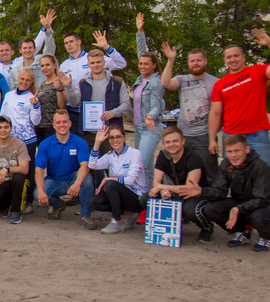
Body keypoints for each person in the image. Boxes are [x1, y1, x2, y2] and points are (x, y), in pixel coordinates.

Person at [208, 30, 270, 165]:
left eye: (236, 56)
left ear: (243, 57)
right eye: (229, 57)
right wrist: (212, 139)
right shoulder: (219, 84)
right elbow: (215, 113)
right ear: (224, 60)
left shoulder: (257, 72)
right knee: (234, 176)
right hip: (231, 136)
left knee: (262, 173)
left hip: (257, 135)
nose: (233, 59)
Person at [198, 134, 270, 251]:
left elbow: (261, 198)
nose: (233, 155)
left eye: (237, 151)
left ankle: (266, 236)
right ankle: (242, 231)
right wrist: (200, 191)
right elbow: (220, 191)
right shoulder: (226, 164)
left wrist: (238, 209)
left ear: (247, 149)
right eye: (229, 152)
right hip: (240, 201)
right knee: (210, 208)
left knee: (257, 217)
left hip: (266, 205)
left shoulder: (261, 167)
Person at [160, 42, 220, 181]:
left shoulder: (215, 83)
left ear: (205, 61)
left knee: (209, 173)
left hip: (204, 136)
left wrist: (212, 139)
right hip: (184, 135)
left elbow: (218, 113)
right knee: (186, 172)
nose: (195, 63)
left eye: (198, 60)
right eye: (192, 61)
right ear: (188, 63)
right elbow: (165, 83)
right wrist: (170, 60)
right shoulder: (182, 80)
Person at [146, 126, 213, 243]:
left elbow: (189, 189)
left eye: (175, 141)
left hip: (194, 195)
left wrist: (162, 187)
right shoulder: (163, 155)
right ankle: (174, 223)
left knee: (190, 210)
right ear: (163, 143)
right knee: (145, 199)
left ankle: (207, 227)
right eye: (168, 142)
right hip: (174, 192)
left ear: (183, 141)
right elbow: (156, 182)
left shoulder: (193, 158)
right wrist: (162, 191)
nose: (171, 144)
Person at [34, 111, 96, 230]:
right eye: (58, 122)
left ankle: (85, 215)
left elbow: (85, 166)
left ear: (70, 123)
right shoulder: (45, 144)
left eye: (64, 122)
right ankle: (58, 205)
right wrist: (41, 190)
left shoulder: (80, 142)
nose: (62, 125)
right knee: (37, 194)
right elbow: (39, 169)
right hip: (54, 180)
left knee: (87, 180)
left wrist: (77, 183)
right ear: (54, 125)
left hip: (73, 179)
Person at [59, 29, 127, 128]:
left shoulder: (93, 59)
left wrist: (107, 48)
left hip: (95, 110)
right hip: (73, 111)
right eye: (66, 43)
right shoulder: (64, 65)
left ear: (79, 42)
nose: (69, 45)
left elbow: (121, 63)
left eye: (71, 41)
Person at [87, 125, 147, 234]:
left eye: (118, 137)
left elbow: (130, 180)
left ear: (124, 138)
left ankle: (117, 220)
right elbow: (92, 164)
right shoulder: (110, 155)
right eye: (112, 137)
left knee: (111, 184)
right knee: (93, 202)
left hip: (136, 196)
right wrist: (97, 143)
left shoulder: (134, 154)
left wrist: (109, 179)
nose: (115, 140)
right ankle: (126, 214)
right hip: (118, 195)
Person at [68, 49, 131, 148]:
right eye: (92, 63)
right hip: (88, 133)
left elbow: (126, 105)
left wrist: (113, 113)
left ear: (104, 63)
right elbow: (73, 103)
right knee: (88, 163)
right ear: (88, 64)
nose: (95, 65)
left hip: (110, 132)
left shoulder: (117, 82)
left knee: (110, 163)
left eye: (98, 62)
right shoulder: (82, 83)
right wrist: (68, 87)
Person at [133, 13, 166, 190]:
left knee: (142, 165)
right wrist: (140, 32)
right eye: (141, 64)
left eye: (147, 64)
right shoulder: (141, 78)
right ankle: (151, 195)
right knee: (146, 166)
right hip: (138, 128)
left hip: (150, 128)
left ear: (154, 65)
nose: (143, 66)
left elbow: (156, 105)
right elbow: (142, 52)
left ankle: (143, 197)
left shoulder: (156, 82)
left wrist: (150, 116)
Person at [8, 9, 58, 88]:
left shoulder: (41, 61)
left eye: (30, 48)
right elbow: (13, 92)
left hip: (43, 98)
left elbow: (50, 49)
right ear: (20, 50)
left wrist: (48, 29)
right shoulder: (15, 71)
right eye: (25, 48)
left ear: (35, 49)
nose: (27, 50)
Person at [0, 69, 43, 158]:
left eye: (28, 80)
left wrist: (36, 106)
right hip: (8, 138)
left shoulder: (32, 98)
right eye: (22, 79)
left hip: (27, 140)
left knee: (26, 170)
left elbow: (36, 122)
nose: (24, 82)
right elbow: (2, 116)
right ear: (18, 79)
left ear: (31, 82)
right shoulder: (8, 95)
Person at [34, 55, 72, 143]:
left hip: (52, 126)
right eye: (42, 66)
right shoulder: (43, 84)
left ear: (54, 65)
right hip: (40, 126)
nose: (44, 68)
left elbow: (62, 106)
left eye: (47, 65)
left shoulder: (60, 82)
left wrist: (59, 89)